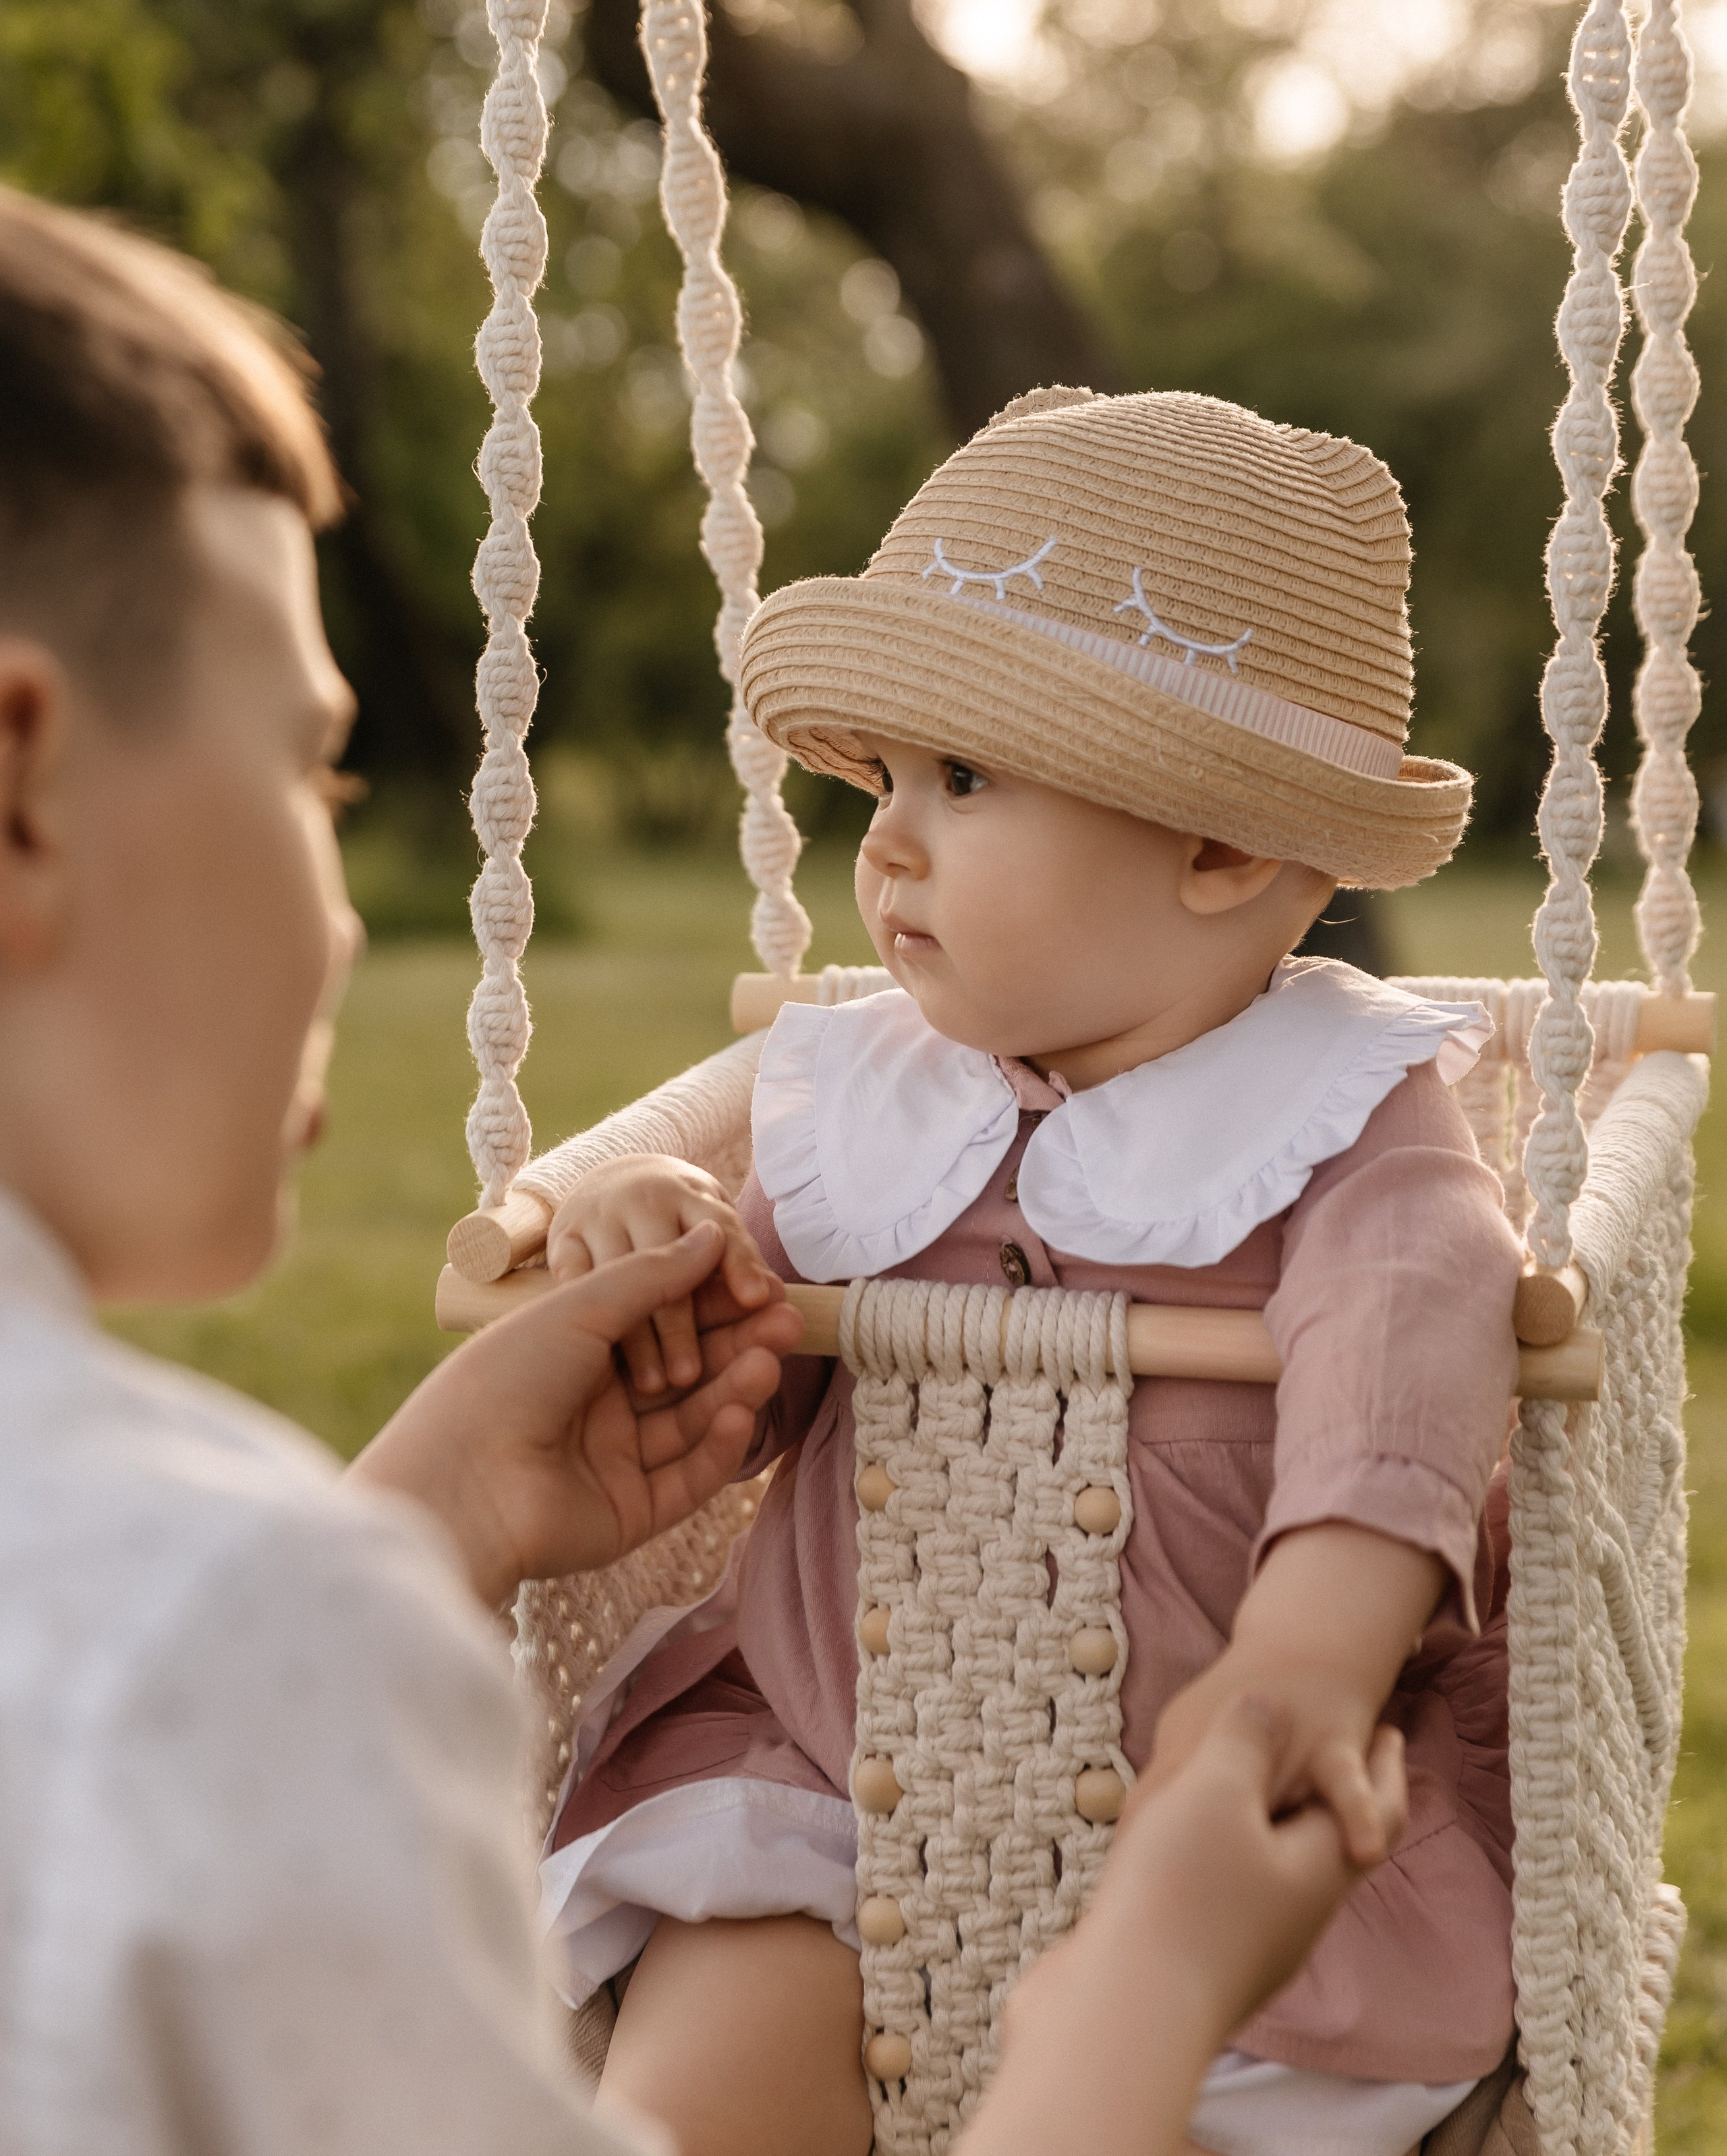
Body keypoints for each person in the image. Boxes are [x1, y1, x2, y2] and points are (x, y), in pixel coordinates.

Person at [0, 196, 1403, 2156]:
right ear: (19, 784)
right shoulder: (223, 1631)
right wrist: (1144, 1994)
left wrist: (420, 1512)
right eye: (315, 775)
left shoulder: (1360, 1123)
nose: (338, 902)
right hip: (849, 1783)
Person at [538, 389, 1525, 2156]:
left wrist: (1309, 1656)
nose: (890, 843)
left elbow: (1413, 1359)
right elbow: (750, 1371)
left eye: (968, 781)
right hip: (844, 1774)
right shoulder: (870, 1093)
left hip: (1223, 1833)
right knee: (707, 2064)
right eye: (892, 780)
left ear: (1221, 847)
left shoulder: (1346, 1119)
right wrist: (673, 1254)